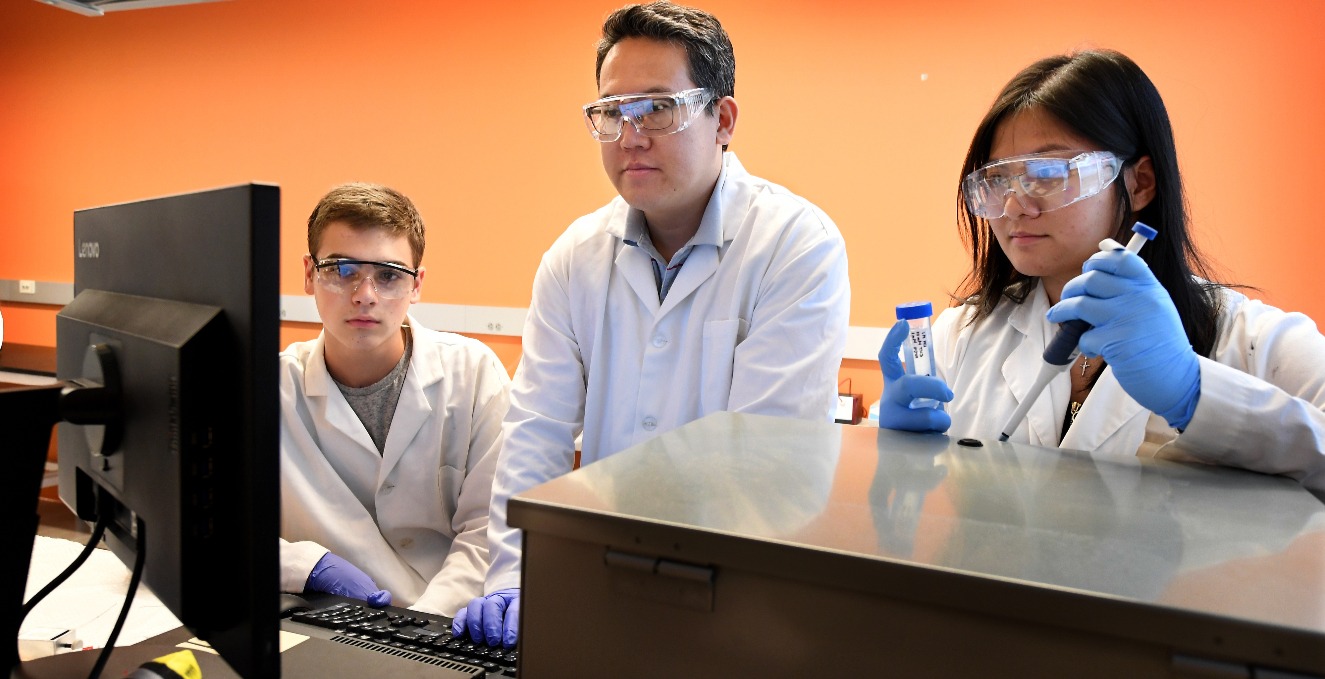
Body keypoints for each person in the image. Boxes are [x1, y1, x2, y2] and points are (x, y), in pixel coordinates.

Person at [455, 1, 850, 647]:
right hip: (602, 580)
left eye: (657, 108)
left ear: (721, 119)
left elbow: (765, 461)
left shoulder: (794, 243)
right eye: (611, 112)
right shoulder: (573, 256)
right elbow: (537, 431)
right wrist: (515, 574)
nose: (630, 135)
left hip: (739, 596)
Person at [877, 50, 1325, 500]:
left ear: (1140, 182)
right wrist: (895, 454)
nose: (1014, 207)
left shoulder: (1255, 343)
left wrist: (1194, 391)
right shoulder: (961, 337)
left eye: (1046, 173)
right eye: (997, 182)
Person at [279, 182, 510, 615]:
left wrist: (425, 630)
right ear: (309, 275)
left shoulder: (473, 374)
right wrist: (302, 564)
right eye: (342, 269)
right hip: (325, 619)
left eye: (388, 275)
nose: (365, 294)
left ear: (416, 285)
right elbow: (217, 528)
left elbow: (487, 528)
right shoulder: (269, 389)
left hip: (450, 622)